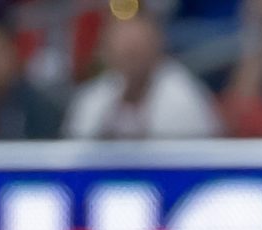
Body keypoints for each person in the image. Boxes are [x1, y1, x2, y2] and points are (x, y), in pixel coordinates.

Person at [64, 14, 223, 140]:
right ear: (108, 55)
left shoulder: (183, 97)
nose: (132, 62)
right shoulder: (93, 98)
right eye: (125, 54)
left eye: (136, 52)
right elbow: (75, 153)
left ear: (155, 49)